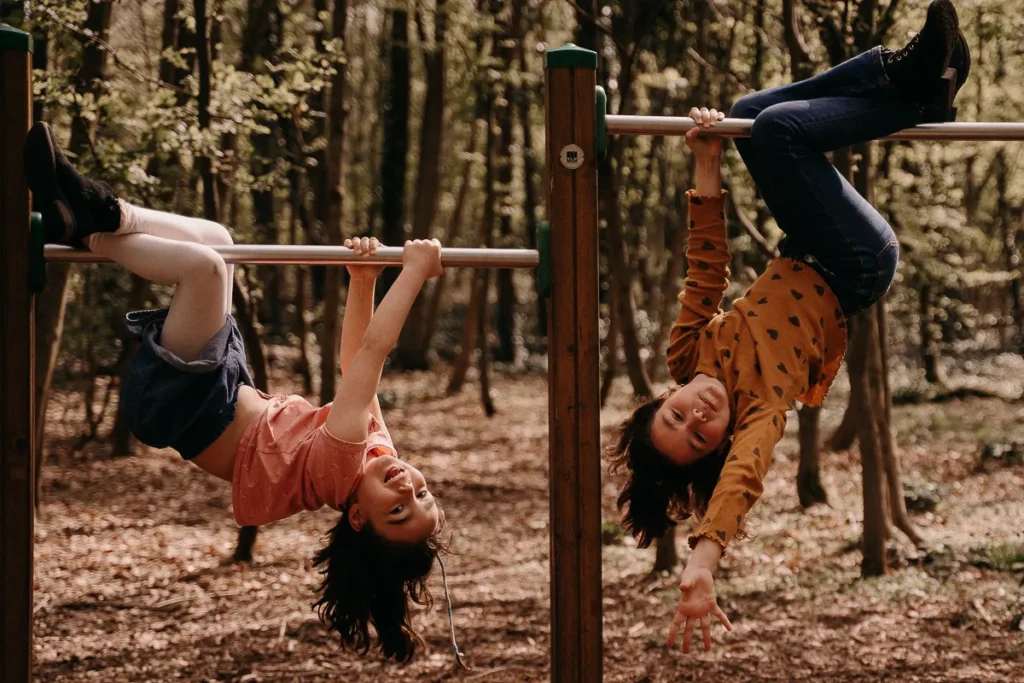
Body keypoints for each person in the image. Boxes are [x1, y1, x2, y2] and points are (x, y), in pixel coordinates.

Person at [23, 121, 462, 664]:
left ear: (356, 518)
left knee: (206, 269)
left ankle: (92, 214)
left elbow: (371, 357)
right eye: (422, 496)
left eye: (396, 511)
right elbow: (354, 362)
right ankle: (91, 220)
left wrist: (414, 274)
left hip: (188, 404)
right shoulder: (377, 454)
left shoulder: (341, 465)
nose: (406, 489)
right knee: (221, 244)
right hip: (224, 387)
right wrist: (363, 281)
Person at [607, 0, 970, 655]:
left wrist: (708, 163)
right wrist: (701, 562)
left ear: (666, 393)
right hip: (856, 264)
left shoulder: (690, 351)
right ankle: (915, 93)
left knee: (749, 115)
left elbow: (706, 266)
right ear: (718, 448)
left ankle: (909, 76)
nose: (698, 414)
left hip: (810, 241)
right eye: (698, 437)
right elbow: (742, 479)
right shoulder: (760, 413)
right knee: (775, 132)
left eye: (676, 414)